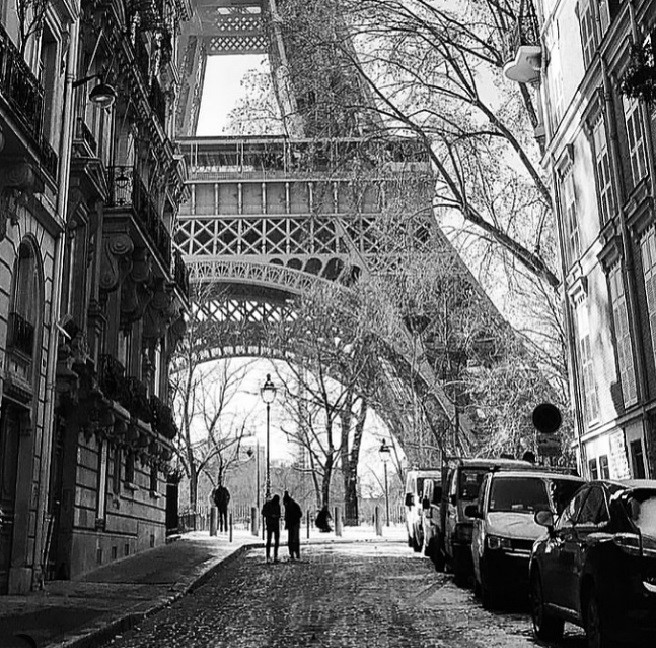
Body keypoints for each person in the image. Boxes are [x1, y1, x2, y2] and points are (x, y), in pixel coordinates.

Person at [283, 490, 303, 561]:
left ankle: (293, 552)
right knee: (294, 539)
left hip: (293, 524)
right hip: (294, 524)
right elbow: (300, 514)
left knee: (292, 539)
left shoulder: (290, 506)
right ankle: (295, 552)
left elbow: (299, 514)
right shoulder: (293, 505)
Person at [262, 494, 281, 563]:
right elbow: (263, 512)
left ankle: (269, 556)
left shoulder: (268, 504)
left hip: (270, 524)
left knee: (270, 541)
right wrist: (272, 516)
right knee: (275, 541)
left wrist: (271, 516)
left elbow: (263, 512)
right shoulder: (275, 505)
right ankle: (274, 556)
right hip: (274, 524)